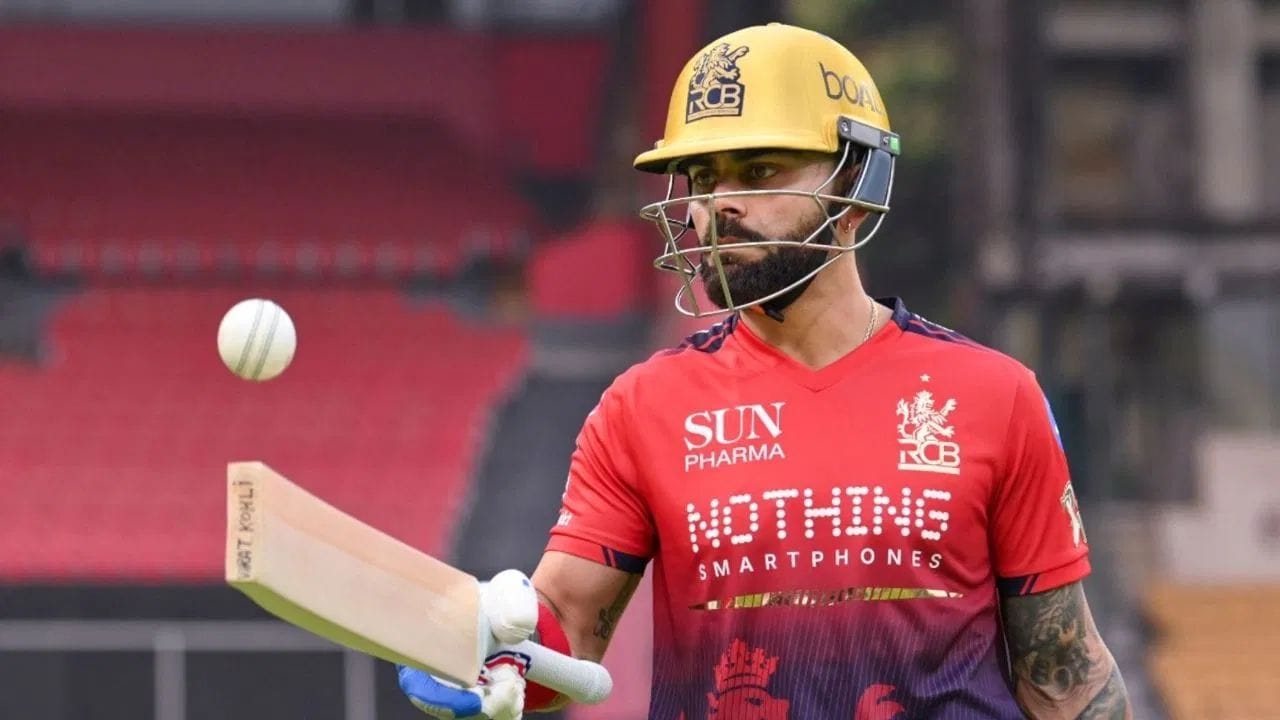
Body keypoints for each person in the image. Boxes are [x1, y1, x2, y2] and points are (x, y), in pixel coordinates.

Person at [399, 22, 1132, 719]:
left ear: (855, 184)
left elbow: (1064, 676)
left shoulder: (993, 396)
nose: (719, 206)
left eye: (757, 171)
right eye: (702, 178)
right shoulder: (641, 408)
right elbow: (569, 623)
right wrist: (488, 652)